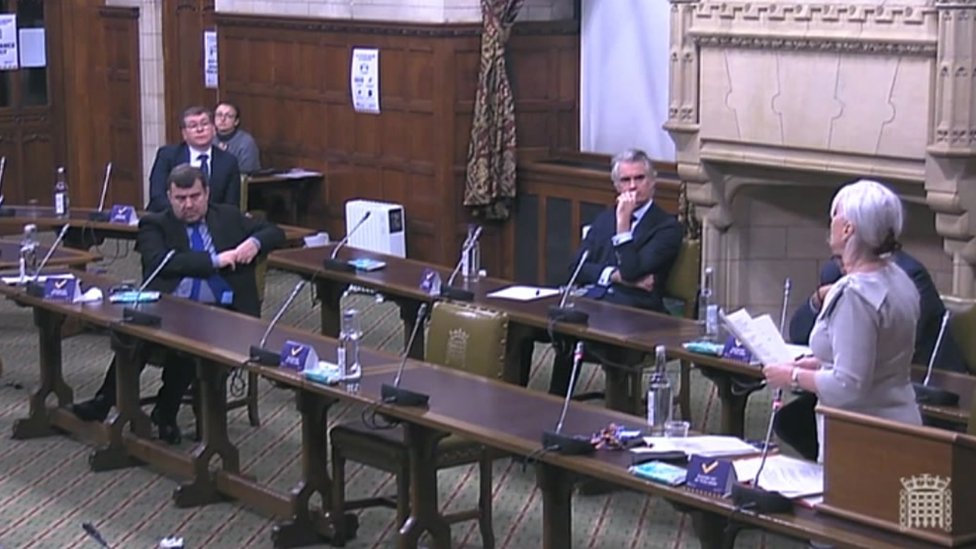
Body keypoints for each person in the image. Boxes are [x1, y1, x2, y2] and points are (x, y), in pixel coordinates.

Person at [73, 164, 285, 444]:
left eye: (195, 197)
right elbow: (160, 262)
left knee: (192, 339)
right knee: (133, 333)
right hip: (172, 307)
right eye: (180, 199)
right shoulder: (155, 224)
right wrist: (215, 260)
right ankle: (109, 401)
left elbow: (275, 232)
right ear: (169, 197)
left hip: (226, 312)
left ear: (207, 193)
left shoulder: (228, 217)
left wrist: (255, 243)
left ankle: (165, 411)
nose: (188, 205)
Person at [764, 179, 922, 462]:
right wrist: (816, 363)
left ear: (848, 228)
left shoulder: (854, 295)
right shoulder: (898, 278)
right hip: (901, 425)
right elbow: (876, 357)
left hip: (863, 438)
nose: (830, 222)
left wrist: (792, 376)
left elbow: (848, 386)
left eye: (834, 215)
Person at [547, 148, 683, 395]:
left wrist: (623, 226)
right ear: (616, 186)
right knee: (544, 327)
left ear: (653, 182)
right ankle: (550, 406)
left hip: (640, 312)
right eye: (626, 180)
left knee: (577, 333)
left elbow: (631, 271)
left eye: (640, 178)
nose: (633, 186)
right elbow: (576, 268)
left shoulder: (667, 227)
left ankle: (612, 412)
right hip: (597, 302)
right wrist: (613, 275)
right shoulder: (604, 219)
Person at [146, 106, 242, 213]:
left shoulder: (228, 161)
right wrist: (185, 213)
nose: (200, 130)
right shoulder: (167, 155)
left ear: (214, 130)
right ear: (184, 134)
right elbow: (157, 196)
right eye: (193, 126)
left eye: (205, 124)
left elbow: (231, 205)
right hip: (170, 219)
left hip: (212, 223)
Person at [213, 101, 261, 173]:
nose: (222, 119)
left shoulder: (246, 142)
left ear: (236, 121)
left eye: (229, 116)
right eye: (219, 115)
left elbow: (247, 171)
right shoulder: (208, 138)